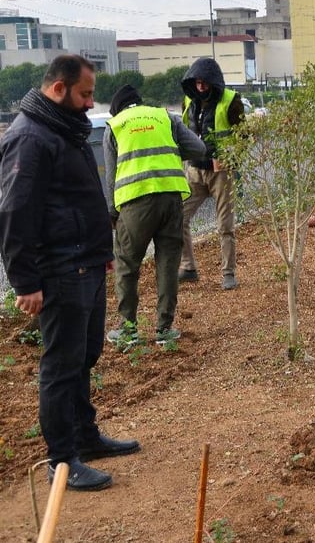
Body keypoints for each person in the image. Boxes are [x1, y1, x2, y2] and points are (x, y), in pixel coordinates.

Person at [0, 55, 140, 491]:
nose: (91, 103)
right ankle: (62, 460)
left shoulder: (64, 128)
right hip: (60, 269)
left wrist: (101, 252)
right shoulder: (30, 137)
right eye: (85, 94)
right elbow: (15, 212)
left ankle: (85, 437)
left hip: (86, 263)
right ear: (58, 89)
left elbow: (80, 198)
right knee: (61, 366)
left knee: (85, 355)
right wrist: (26, 282)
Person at [104, 84, 207, 346]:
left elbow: (111, 177)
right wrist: (171, 151)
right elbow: (198, 148)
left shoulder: (115, 125)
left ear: (117, 109)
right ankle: (164, 329)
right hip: (171, 199)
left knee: (127, 265)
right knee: (168, 263)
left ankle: (128, 330)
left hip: (135, 202)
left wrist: (112, 213)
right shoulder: (165, 117)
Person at [177, 57, 245, 291]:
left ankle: (228, 273)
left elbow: (244, 135)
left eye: (204, 82)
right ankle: (188, 267)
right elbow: (183, 131)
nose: (201, 87)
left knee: (225, 226)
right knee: (179, 217)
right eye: (197, 82)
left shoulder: (231, 101)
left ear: (213, 81)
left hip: (221, 173)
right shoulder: (188, 100)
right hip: (195, 170)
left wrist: (230, 158)